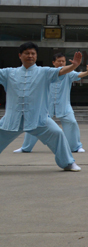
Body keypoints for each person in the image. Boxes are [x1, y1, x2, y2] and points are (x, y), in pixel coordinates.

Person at [0, 42, 83, 171]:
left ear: (36, 56)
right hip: (12, 118)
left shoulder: (44, 72)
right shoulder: (9, 73)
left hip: (38, 118)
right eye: (27, 53)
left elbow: (60, 71)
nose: (30, 56)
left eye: (33, 53)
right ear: (20, 56)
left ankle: (68, 163)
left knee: (57, 134)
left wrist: (74, 66)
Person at [14, 52, 88, 154]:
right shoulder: (47, 72)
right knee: (34, 123)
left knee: (72, 123)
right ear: (54, 62)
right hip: (45, 106)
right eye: (59, 61)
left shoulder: (68, 73)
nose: (61, 63)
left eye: (63, 61)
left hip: (64, 105)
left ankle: (76, 147)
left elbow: (79, 75)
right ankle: (26, 147)